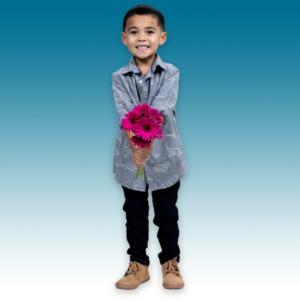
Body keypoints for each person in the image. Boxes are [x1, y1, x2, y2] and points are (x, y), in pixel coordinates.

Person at [111, 4, 187, 290]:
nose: (141, 37)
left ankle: (170, 261)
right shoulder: (119, 77)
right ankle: (138, 264)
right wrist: (136, 146)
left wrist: (145, 139)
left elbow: (161, 108)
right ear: (124, 38)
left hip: (165, 153)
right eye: (134, 32)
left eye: (149, 31)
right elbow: (125, 112)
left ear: (162, 37)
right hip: (131, 157)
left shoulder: (171, 72)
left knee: (167, 212)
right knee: (134, 213)